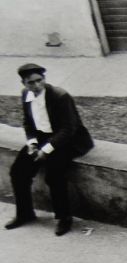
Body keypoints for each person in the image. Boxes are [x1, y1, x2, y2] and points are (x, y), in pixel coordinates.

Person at [5, 63, 94, 236]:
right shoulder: (26, 95)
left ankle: (64, 218)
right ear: (24, 84)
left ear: (44, 79)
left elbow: (69, 129)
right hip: (41, 138)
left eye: (40, 80)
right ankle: (25, 214)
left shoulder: (60, 96)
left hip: (67, 141)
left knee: (54, 176)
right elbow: (27, 122)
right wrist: (31, 142)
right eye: (31, 83)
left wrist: (45, 150)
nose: (37, 85)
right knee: (18, 172)